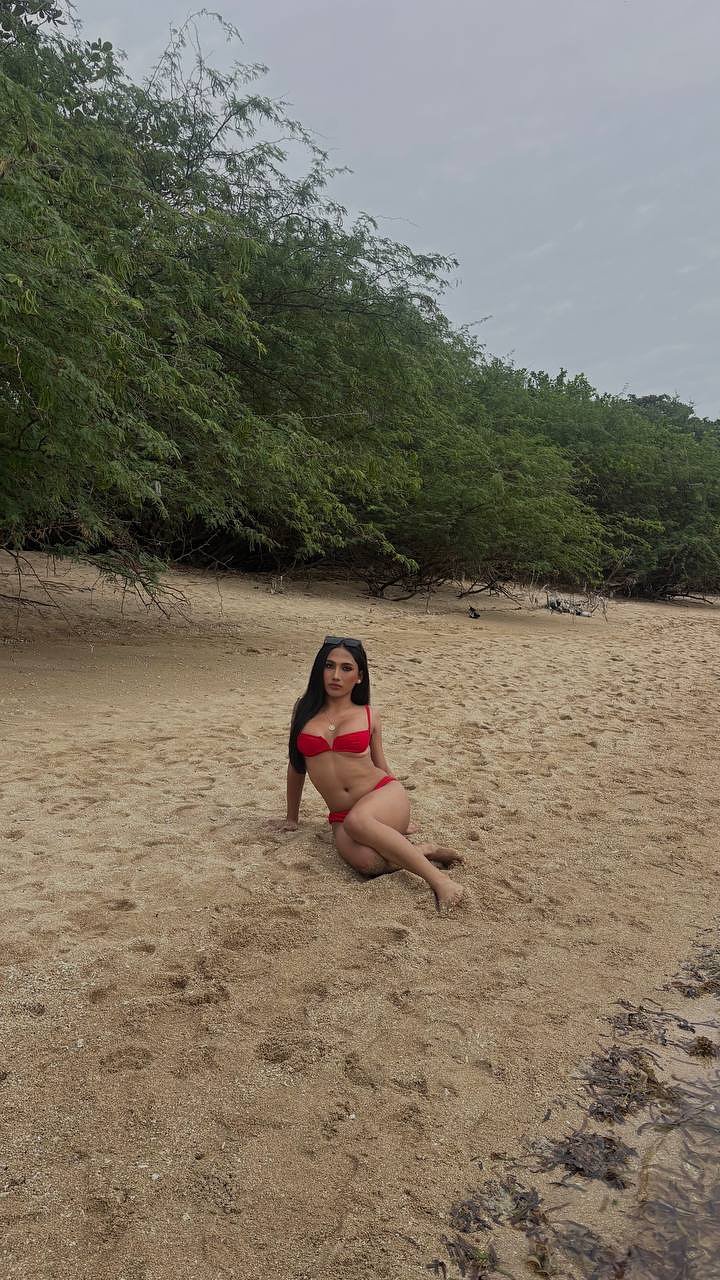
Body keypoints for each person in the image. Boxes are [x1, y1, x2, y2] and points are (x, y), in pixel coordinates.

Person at [268, 636, 465, 914]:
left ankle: (440, 881)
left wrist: (400, 816)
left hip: (382, 795)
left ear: (359, 676)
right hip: (341, 815)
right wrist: (292, 818)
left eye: (346, 668)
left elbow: (381, 764)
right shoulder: (303, 710)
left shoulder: (369, 714)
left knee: (359, 821)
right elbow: (296, 765)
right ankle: (425, 850)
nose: (336, 675)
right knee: (368, 864)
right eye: (329, 666)